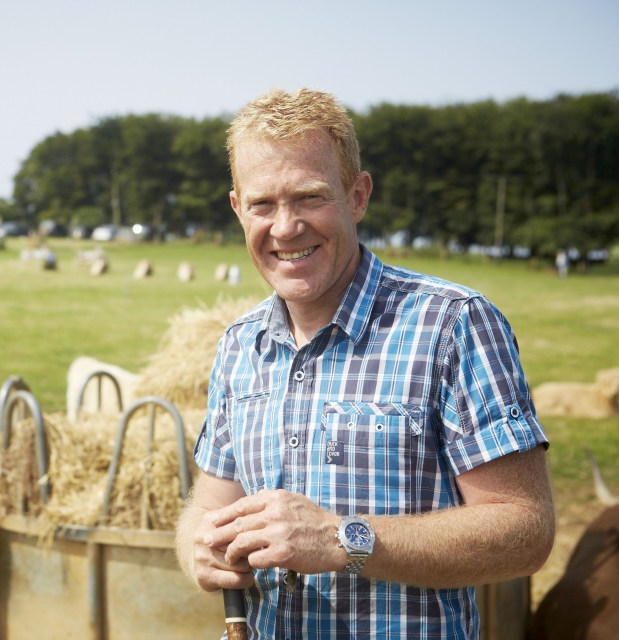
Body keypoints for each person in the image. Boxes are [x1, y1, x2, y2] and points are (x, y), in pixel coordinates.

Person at [175, 88, 555, 639]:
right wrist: (198, 553)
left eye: (309, 197)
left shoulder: (453, 324)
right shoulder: (239, 344)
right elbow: (205, 512)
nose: (284, 228)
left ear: (357, 196)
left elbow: (526, 529)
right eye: (263, 205)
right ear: (237, 208)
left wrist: (341, 540)